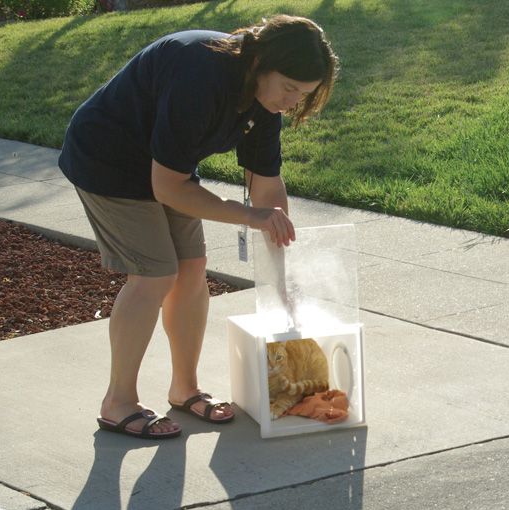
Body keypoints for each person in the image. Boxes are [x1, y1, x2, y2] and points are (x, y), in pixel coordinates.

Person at [58, 14, 339, 439]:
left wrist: (284, 277)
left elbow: (266, 186)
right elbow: (168, 187)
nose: (291, 102)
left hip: (167, 168)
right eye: (289, 88)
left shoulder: (266, 101)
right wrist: (249, 217)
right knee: (155, 273)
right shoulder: (201, 74)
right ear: (261, 62)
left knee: (192, 270)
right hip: (107, 160)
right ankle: (118, 402)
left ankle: (184, 388)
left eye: (303, 95)